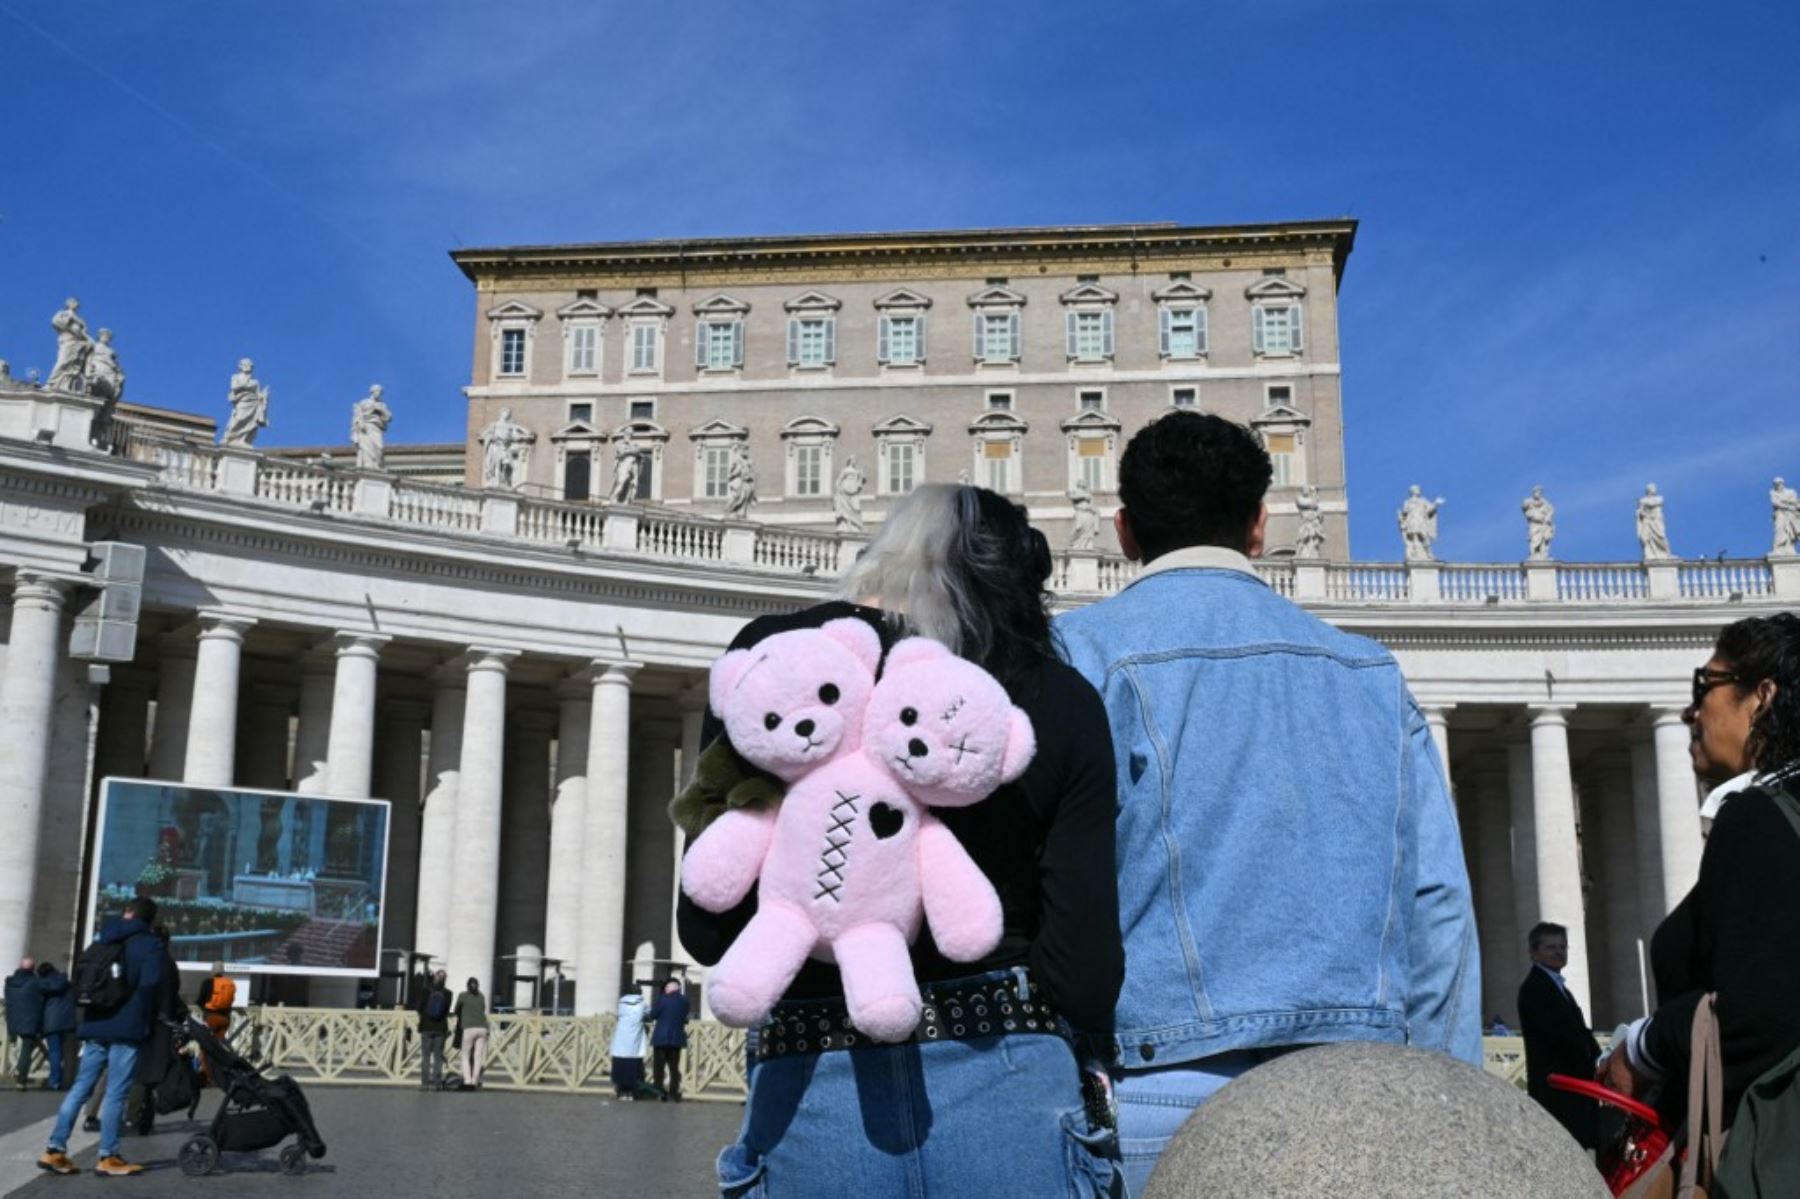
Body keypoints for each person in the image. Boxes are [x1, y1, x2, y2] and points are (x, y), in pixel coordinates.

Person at [1057, 412, 1480, 1195]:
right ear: (1259, 524)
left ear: (1123, 531)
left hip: (1152, 1087)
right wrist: (1450, 1098)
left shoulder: (1080, 655)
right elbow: (1438, 908)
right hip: (1363, 1092)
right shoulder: (1372, 673)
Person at [681, 482, 1125, 1197]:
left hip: (811, 1088)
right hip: (1010, 1084)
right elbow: (1087, 975)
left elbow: (706, 928)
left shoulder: (775, 658)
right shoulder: (1062, 700)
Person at [1598, 614, 1800, 1142]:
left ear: (1762, 696)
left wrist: (1643, 1045)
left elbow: (1756, 1014)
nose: (1692, 709)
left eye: (1704, 686)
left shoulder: (1761, 818)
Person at [39, 896, 164, 1178]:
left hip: (95, 1022)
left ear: (127, 912)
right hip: (127, 1026)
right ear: (150, 920)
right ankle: (108, 1155)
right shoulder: (149, 945)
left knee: (81, 1087)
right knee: (116, 1092)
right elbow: (151, 984)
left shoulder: (101, 939)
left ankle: (55, 1148)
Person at [1517, 922, 1600, 1148]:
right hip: (1558, 1091)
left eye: (1562, 947)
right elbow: (1562, 1036)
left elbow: (1580, 1032)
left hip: (1572, 1090)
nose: (1559, 953)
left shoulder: (1559, 989)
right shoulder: (1535, 988)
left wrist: (1599, 1056)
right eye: (1551, 947)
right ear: (1533, 953)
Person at [128, 924, 190, 1136]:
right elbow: (173, 992)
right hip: (161, 1023)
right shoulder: (167, 962)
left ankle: (134, 1117)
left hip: (144, 1021)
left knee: (140, 1074)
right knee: (149, 1074)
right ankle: (142, 1118)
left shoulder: (146, 959)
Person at [646, 978, 689, 1102]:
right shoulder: (685, 1001)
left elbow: (653, 1015)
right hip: (677, 1037)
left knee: (659, 1067)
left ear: (669, 988)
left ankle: (659, 1091)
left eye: (666, 988)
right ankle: (673, 1093)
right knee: (674, 1067)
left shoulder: (662, 999)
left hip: (661, 1037)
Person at [6, 957, 44, 1090]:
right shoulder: (35, 982)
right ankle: (21, 1080)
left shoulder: (9, 982)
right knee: (26, 1051)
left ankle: (14, 1068)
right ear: (33, 968)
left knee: (12, 1048)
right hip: (30, 1020)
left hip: (12, 1019)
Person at [38, 961, 75, 1091]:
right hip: (69, 1021)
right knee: (69, 1053)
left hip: (51, 1022)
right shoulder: (66, 982)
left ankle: (54, 1081)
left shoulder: (42, 985)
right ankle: (68, 1081)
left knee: (54, 1052)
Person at [610, 989, 650, 1100]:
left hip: (621, 1039)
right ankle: (632, 1092)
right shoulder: (642, 1005)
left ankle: (622, 1092)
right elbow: (649, 1014)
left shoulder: (621, 1003)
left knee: (620, 1065)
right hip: (634, 1040)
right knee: (633, 1066)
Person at [416, 969, 451, 1089]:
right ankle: (437, 1083)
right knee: (438, 1056)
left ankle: (425, 1084)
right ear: (445, 979)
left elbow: (419, 1008)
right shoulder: (448, 993)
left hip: (426, 1026)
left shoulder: (426, 990)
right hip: (440, 1028)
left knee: (425, 1056)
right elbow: (446, 1011)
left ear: (435, 977)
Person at [454, 977, 489, 1089]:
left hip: (469, 1027)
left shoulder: (463, 996)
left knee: (465, 1056)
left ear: (467, 986)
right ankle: (475, 1080)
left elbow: (456, 1009)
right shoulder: (482, 996)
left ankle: (468, 1081)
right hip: (483, 1027)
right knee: (478, 1056)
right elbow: (483, 1009)